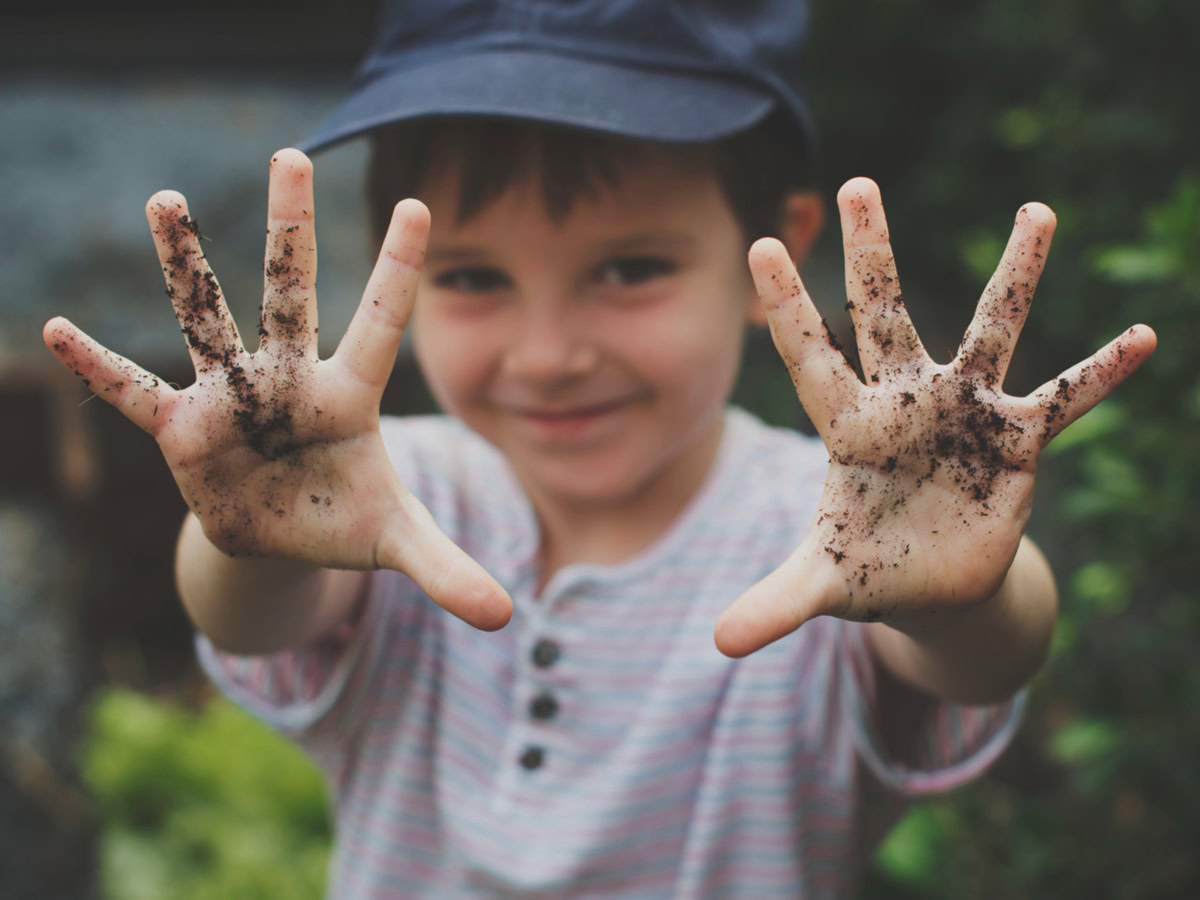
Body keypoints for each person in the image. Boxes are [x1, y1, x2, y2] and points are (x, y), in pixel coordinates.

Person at [43, 0, 1156, 896]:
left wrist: (958, 598)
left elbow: (976, 654)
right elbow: (254, 608)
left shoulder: (823, 534)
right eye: (474, 278)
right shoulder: (389, 504)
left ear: (777, 255)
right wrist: (251, 538)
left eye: (629, 269)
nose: (550, 353)